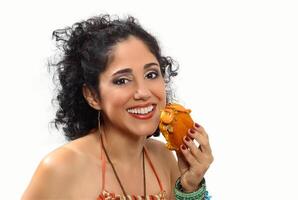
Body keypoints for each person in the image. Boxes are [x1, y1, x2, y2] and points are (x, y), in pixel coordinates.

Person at [22, 14, 214, 200]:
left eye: (151, 75)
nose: (143, 92)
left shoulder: (163, 158)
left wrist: (190, 188)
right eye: (122, 80)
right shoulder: (62, 167)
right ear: (93, 96)